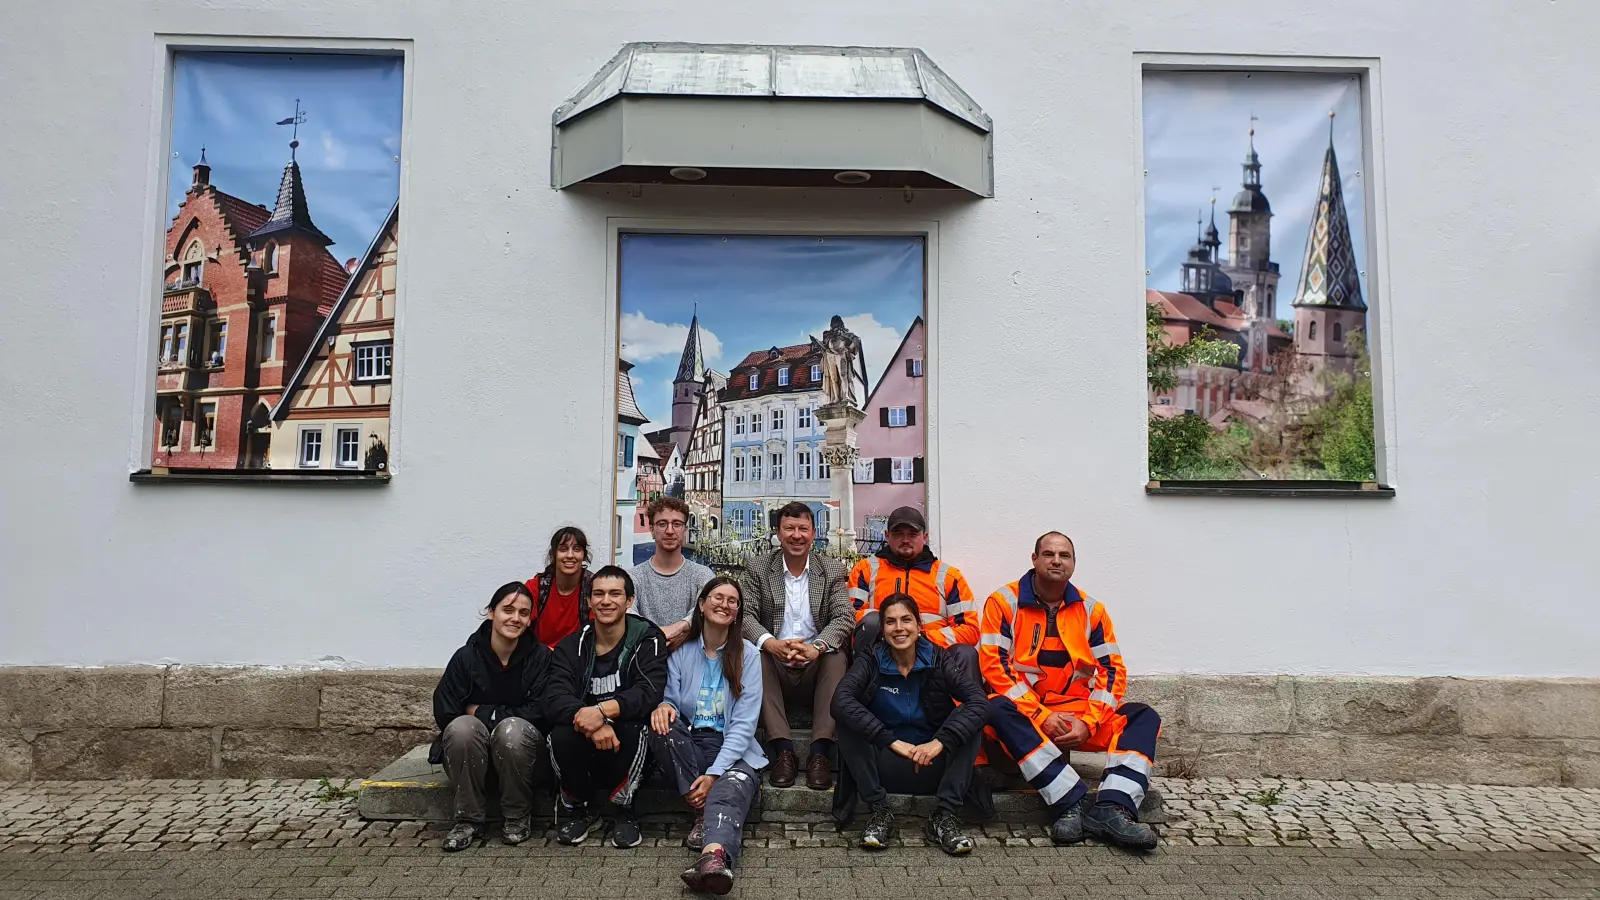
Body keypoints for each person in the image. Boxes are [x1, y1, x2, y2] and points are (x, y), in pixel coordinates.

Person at [978, 532, 1161, 850]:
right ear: (1034, 560)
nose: (1056, 560)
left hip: (1076, 716)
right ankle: (1070, 802)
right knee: (994, 707)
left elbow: (1112, 672)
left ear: (1074, 564)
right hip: (1026, 717)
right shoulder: (1002, 602)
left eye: (1064, 555)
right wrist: (1041, 715)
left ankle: (1114, 808)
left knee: (1142, 716)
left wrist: (1088, 722)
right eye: (1048, 554)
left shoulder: (1093, 610)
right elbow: (995, 668)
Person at [831, 593, 988, 855]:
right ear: (882, 630)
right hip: (885, 765)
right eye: (890, 622)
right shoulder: (871, 659)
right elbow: (840, 701)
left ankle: (944, 816)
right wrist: (891, 741)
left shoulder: (938, 658)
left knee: (969, 722)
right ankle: (880, 813)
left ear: (919, 626)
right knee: (848, 721)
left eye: (906, 620)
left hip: (932, 764)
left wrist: (939, 742)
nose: (899, 628)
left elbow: (979, 703)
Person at [650, 577, 766, 895]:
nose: (724, 604)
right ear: (701, 604)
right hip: (689, 742)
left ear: (738, 612)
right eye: (717, 597)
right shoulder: (682, 653)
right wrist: (662, 705)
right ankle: (701, 807)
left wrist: (714, 773)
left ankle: (712, 858)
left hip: (731, 748)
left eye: (732, 601)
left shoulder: (750, 656)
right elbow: (671, 701)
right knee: (662, 728)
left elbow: (744, 724)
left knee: (733, 785)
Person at [545, 565, 668, 849]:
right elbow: (553, 697)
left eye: (615, 594)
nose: (606, 600)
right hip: (585, 737)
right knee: (559, 735)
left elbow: (649, 692)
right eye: (598, 594)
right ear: (589, 601)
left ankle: (624, 809)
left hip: (626, 737)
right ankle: (579, 806)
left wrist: (602, 712)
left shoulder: (648, 639)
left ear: (629, 601)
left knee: (637, 728)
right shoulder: (571, 646)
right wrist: (593, 722)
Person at [739, 501, 854, 790]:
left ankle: (819, 754)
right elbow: (745, 615)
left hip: (815, 664)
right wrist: (771, 643)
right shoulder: (758, 568)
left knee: (836, 656)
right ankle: (783, 750)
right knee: (755, 653)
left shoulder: (829, 569)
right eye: (789, 528)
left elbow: (844, 615)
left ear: (814, 533)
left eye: (803, 528)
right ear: (778, 533)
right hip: (775, 664)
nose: (796, 535)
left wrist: (817, 646)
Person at [431, 582, 550, 851]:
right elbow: (446, 712)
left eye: (523, 613)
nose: (515, 618)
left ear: (530, 620)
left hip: (523, 759)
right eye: (507, 610)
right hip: (471, 760)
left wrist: (482, 711)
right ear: (491, 613)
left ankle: (517, 816)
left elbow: (542, 712)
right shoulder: (465, 658)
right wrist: (475, 718)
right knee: (462, 727)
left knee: (512, 730)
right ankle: (468, 819)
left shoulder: (541, 658)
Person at [848, 507, 981, 683]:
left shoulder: (948, 576)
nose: (905, 540)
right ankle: (864, 692)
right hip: (882, 652)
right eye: (898, 534)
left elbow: (970, 630)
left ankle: (967, 710)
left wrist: (921, 638)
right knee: (871, 620)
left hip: (934, 655)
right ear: (887, 536)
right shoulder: (865, 570)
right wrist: (894, 635)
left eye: (912, 534)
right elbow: (851, 617)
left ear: (925, 537)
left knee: (966, 653)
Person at [630, 497, 715, 651]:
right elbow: (628, 613)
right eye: (662, 524)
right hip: (645, 659)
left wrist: (677, 628)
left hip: (691, 660)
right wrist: (657, 634)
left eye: (677, 524)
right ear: (651, 530)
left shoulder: (702, 575)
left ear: (685, 529)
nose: (670, 531)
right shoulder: (633, 577)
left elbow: (707, 608)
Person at [524, 525, 595, 648]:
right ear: (553, 555)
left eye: (577, 549)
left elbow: (598, 633)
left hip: (577, 658)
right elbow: (520, 625)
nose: (570, 555)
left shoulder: (594, 588)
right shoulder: (537, 587)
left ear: (584, 555)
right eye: (563, 549)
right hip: (540, 657)